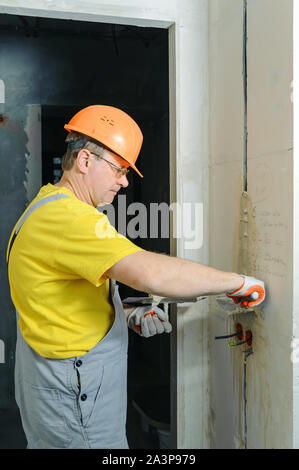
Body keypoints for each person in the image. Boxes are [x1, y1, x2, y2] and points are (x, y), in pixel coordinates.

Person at [6, 105, 265, 449]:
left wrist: (126, 316)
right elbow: (150, 274)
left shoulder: (46, 204)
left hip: (52, 383)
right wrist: (237, 282)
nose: (125, 181)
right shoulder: (69, 219)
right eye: (119, 168)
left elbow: (58, 299)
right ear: (84, 161)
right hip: (73, 394)